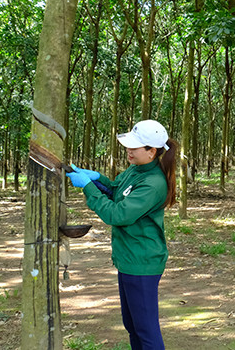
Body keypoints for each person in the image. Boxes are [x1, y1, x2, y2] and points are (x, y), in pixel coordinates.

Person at [66, 119, 178, 350]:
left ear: (152, 151)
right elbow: (118, 189)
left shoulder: (154, 183)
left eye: (135, 147)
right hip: (128, 259)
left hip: (142, 261)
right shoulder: (136, 170)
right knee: (132, 325)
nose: (129, 150)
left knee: (146, 331)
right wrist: (98, 179)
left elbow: (117, 214)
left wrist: (88, 187)